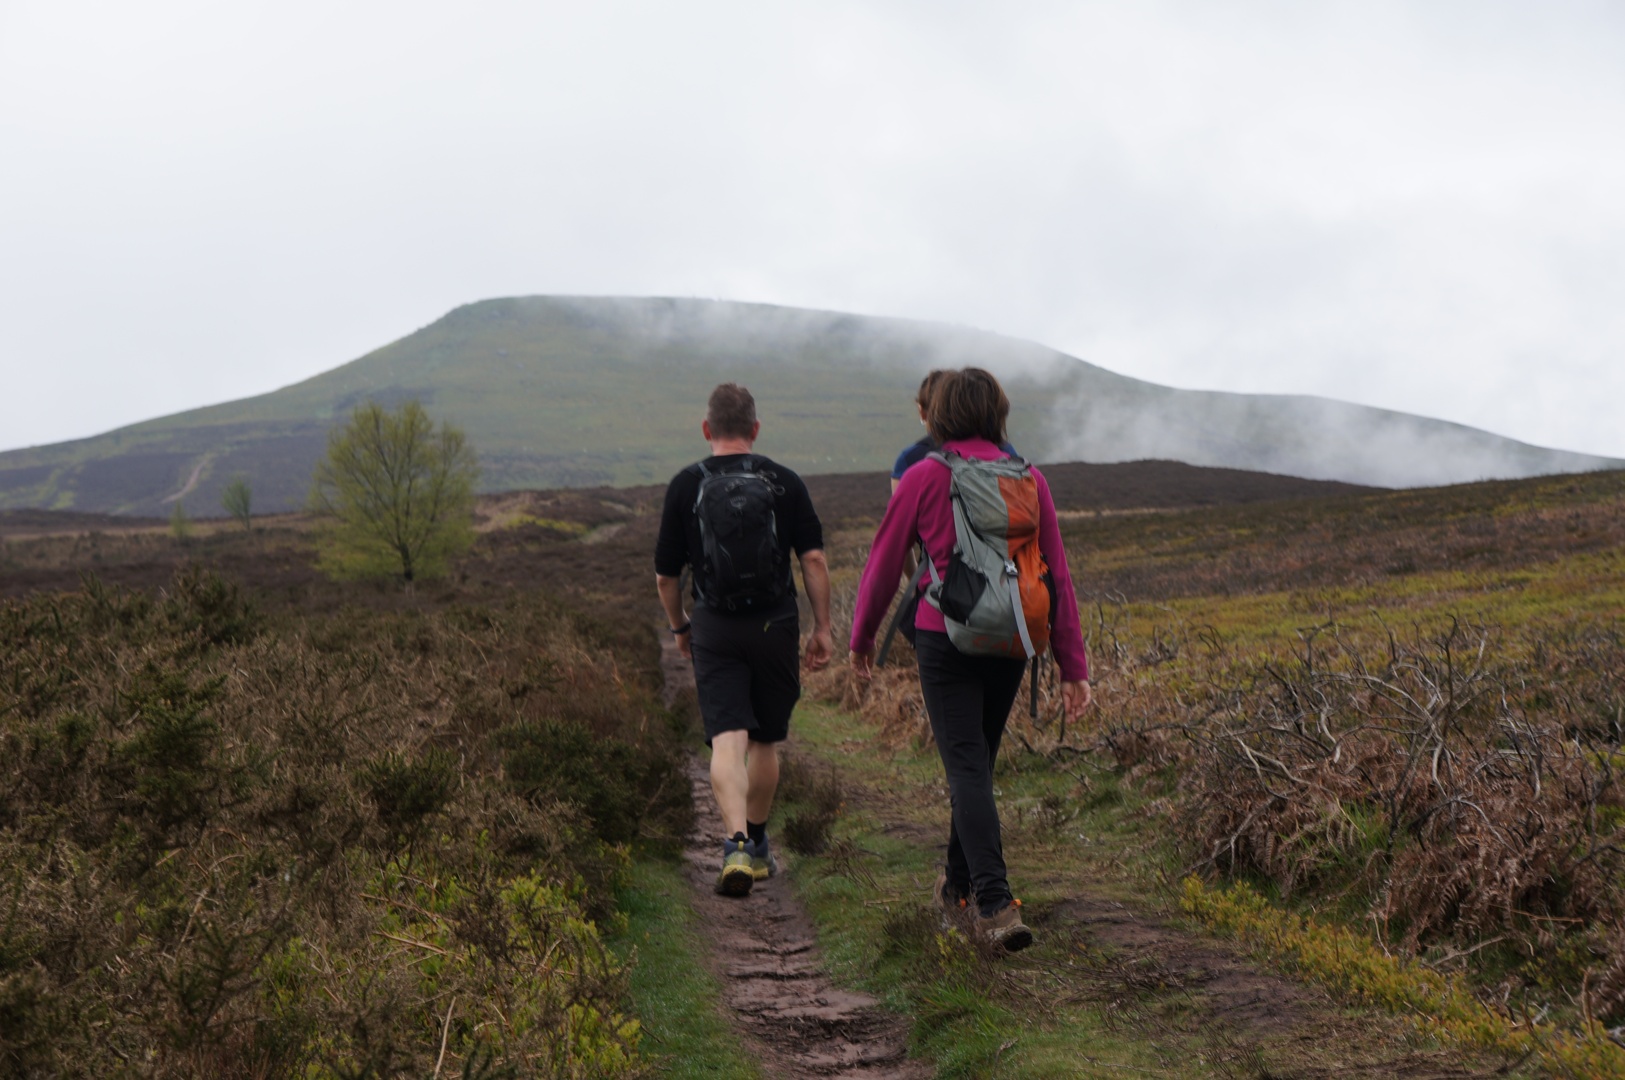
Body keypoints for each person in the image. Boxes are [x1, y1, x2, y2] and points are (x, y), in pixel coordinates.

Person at [850, 368, 1092, 951]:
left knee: (966, 768)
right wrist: (1072, 666)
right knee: (977, 762)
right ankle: (957, 888)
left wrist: (861, 642)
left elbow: (884, 565)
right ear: (997, 413)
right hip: (1013, 638)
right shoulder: (1029, 477)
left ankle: (994, 902)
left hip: (947, 635)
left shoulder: (923, 475)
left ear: (939, 415)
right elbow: (1055, 573)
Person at [655, 383, 835, 897]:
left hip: (715, 625)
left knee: (727, 738)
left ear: (707, 429)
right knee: (764, 739)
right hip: (775, 624)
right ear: (755, 430)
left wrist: (681, 627)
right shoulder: (785, 482)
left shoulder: (685, 485)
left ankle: (733, 843)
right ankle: (757, 844)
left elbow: (667, 577)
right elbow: (814, 561)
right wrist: (822, 628)